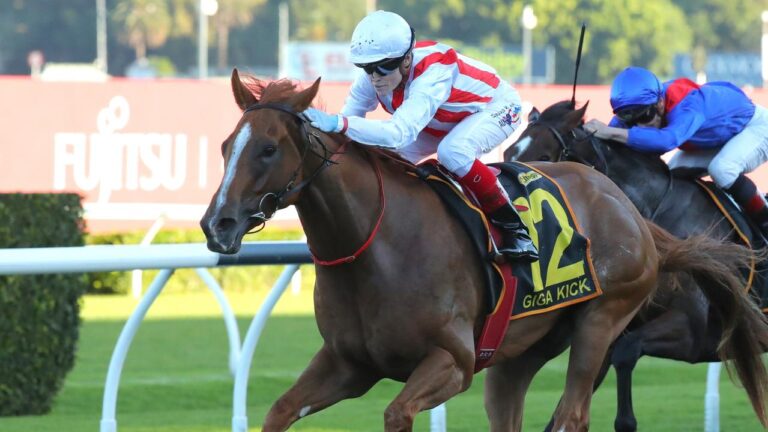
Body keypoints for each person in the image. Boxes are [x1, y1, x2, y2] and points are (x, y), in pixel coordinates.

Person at [302, 10, 538, 261]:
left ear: (407, 59)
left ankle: (517, 232)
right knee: (387, 159)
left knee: (453, 152)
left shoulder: (433, 72)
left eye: (383, 66)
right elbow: (348, 129)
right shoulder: (371, 79)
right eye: (366, 67)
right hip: (441, 120)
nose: (375, 76)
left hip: (497, 107)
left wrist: (339, 122)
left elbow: (398, 133)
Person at [583, 66, 768, 237]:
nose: (640, 126)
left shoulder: (687, 102)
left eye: (645, 116)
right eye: (630, 121)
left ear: (660, 102)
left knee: (722, 169)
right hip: (716, 140)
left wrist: (611, 132)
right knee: (669, 176)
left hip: (755, 127)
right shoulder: (638, 106)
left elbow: (668, 140)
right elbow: (608, 141)